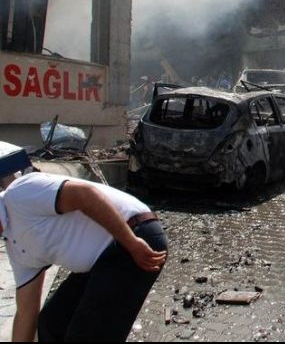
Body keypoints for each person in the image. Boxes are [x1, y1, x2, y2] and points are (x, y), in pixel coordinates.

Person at [0, 146, 168, 341]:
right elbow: (26, 315)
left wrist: (131, 243)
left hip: (136, 236)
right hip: (101, 262)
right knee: (52, 323)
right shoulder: (17, 249)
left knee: (86, 335)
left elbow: (85, 195)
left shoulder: (20, 194)